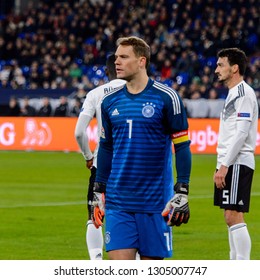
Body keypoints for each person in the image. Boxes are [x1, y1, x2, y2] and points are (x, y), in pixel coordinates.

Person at [93, 36, 192, 260]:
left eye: (124, 57)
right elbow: (106, 147)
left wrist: (182, 190)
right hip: (119, 203)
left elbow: (183, 147)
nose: (117, 61)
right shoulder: (109, 102)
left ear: (141, 61)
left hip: (156, 204)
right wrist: (99, 190)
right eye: (116, 57)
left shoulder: (167, 98)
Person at [74, 54, 126, 260]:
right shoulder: (138, 90)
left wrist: (88, 156)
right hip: (130, 164)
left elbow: (79, 132)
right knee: (130, 216)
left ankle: (96, 264)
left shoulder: (95, 93)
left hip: (101, 165)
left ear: (106, 72)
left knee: (95, 217)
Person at [213, 48, 258, 260]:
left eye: (221, 65)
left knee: (234, 216)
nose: (216, 70)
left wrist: (225, 165)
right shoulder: (232, 93)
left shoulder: (244, 93)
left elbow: (241, 133)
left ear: (235, 68)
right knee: (229, 216)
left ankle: (243, 267)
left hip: (237, 162)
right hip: (229, 162)